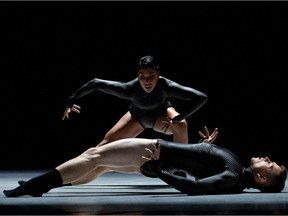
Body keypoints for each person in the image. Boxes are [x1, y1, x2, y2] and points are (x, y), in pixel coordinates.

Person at [3, 127, 287, 197]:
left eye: (270, 165)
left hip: (153, 151)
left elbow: (194, 188)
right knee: (99, 164)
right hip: (156, 156)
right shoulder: (235, 171)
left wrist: (159, 170)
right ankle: (41, 184)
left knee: (94, 156)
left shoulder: (232, 176)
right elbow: (200, 166)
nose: (268, 159)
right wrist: (203, 148)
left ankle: (37, 186)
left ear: (261, 179)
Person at [62, 55, 208, 145]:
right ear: (137, 76)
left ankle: (179, 166)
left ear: (158, 74)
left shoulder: (166, 85)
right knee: (104, 146)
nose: (147, 81)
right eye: (142, 76)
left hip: (161, 116)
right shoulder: (129, 89)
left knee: (181, 124)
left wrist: (180, 117)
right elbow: (96, 83)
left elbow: (201, 97)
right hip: (136, 117)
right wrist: (72, 98)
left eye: (151, 75)